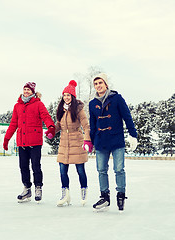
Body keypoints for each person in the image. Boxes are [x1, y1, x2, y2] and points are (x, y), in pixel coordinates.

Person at [89, 73, 138, 211]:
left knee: (119, 169)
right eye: (96, 84)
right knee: (101, 170)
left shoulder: (117, 98)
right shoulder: (93, 104)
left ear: (106, 84)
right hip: (100, 140)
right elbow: (92, 124)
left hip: (116, 140)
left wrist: (133, 135)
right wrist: (90, 141)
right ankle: (104, 197)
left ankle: (121, 195)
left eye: (100, 83)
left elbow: (127, 117)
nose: (98, 86)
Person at [3, 82, 55, 203]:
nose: (26, 91)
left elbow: (46, 116)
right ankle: (27, 188)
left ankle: (38, 187)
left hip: (35, 141)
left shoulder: (38, 104)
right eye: (24, 89)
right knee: (23, 166)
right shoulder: (17, 106)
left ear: (33, 92)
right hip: (22, 142)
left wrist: (51, 126)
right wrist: (6, 138)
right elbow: (13, 123)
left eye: (28, 90)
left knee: (36, 166)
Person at [53, 80, 93, 207]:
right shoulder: (61, 109)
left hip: (77, 141)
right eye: (64, 95)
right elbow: (59, 125)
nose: (66, 97)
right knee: (62, 170)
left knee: (80, 170)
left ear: (73, 97)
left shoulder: (78, 110)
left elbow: (86, 126)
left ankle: (84, 191)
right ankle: (65, 194)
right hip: (64, 143)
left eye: (68, 95)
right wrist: (51, 131)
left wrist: (87, 140)